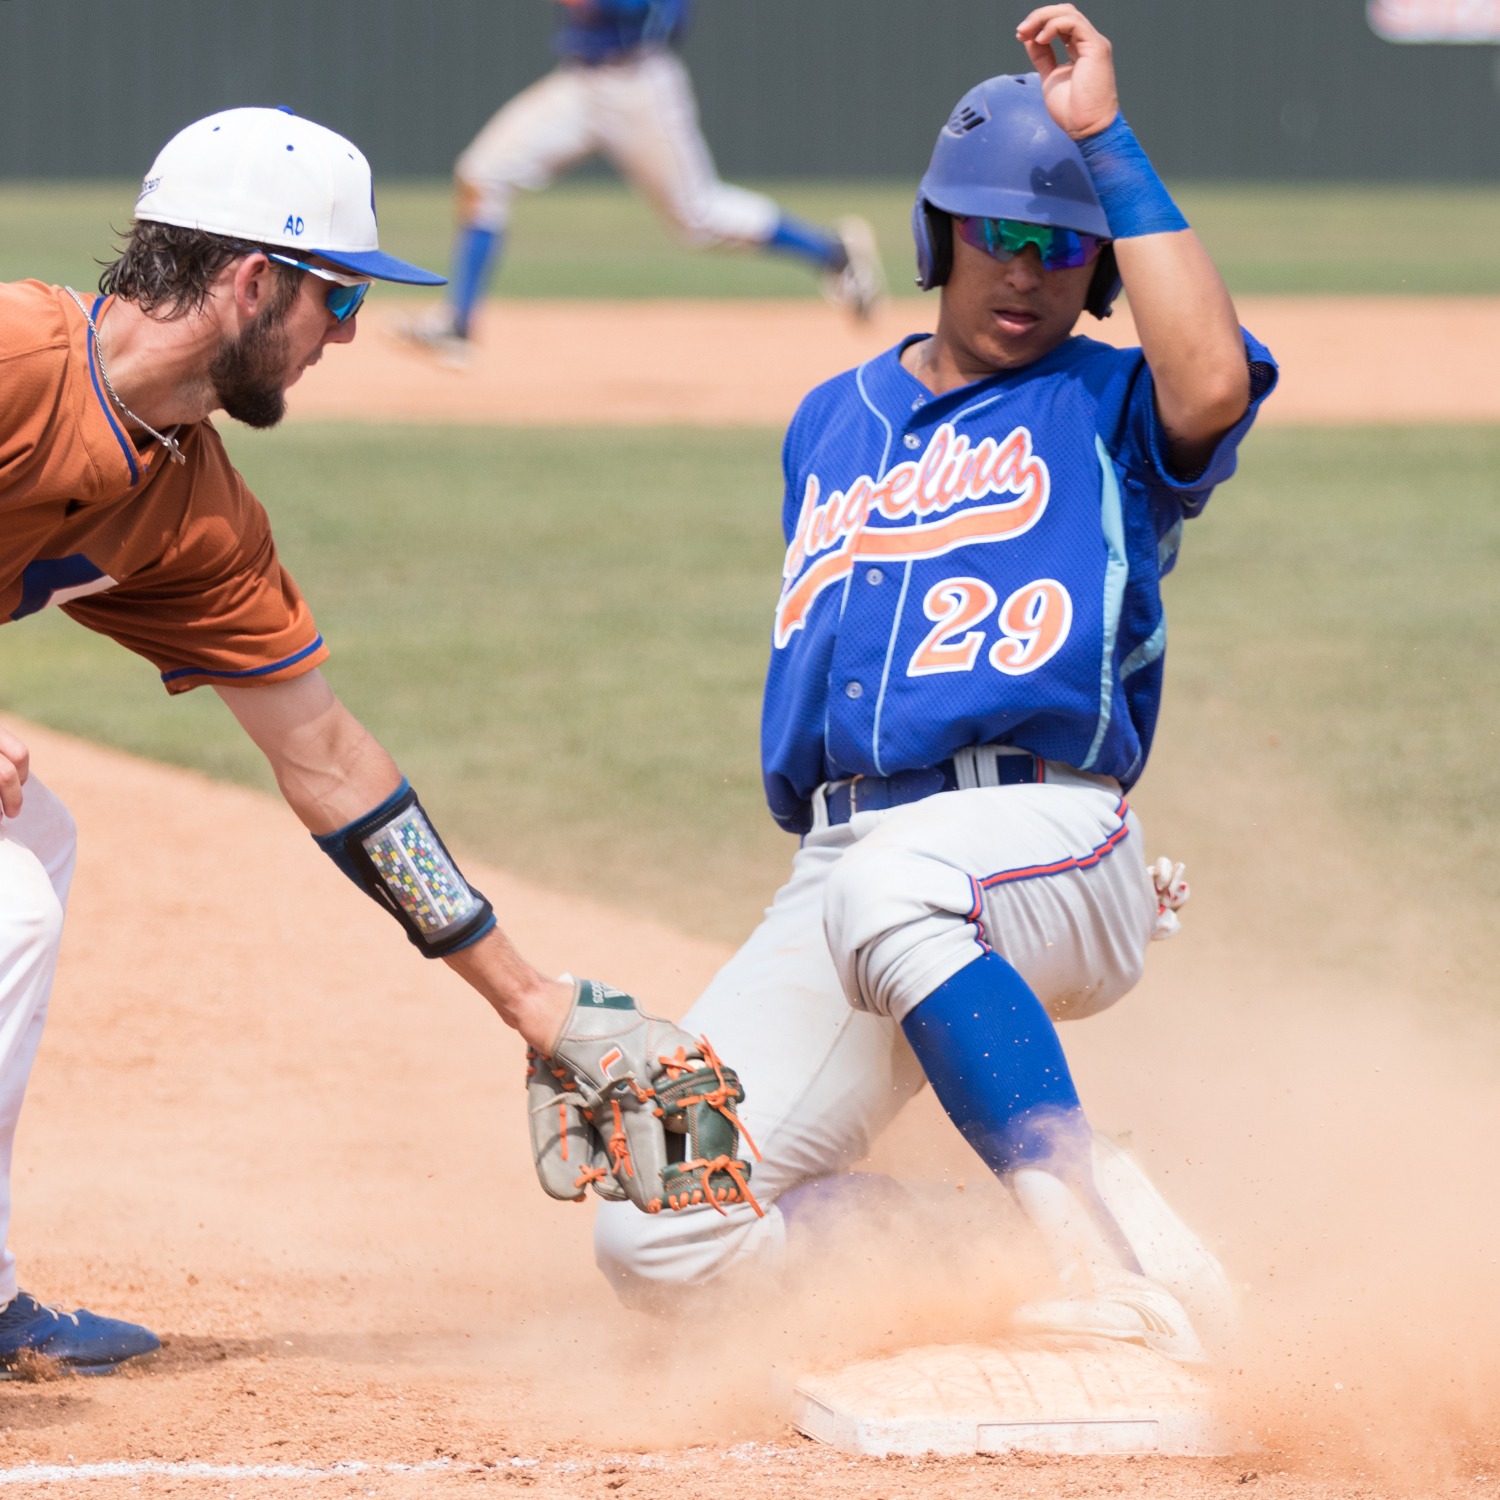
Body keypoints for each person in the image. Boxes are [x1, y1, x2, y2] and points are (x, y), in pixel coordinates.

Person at [592, 4, 1277, 1361]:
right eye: (994, 235)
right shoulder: (828, 421)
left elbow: (1209, 381)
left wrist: (1107, 143)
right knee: (658, 1228)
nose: (1023, 271)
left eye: (1061, 247)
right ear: (936, 236)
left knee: (894, 885)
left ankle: (1098, 1254)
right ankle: (990, 1249)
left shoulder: (1112, 408)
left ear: (1098, 271)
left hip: (1049, 832)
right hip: (843, 869)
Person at [0, 106, 689, 1375]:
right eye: (340, 294)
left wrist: (529, 999)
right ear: (253, 282)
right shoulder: (14, 354)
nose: (351, 332)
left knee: (32, 848)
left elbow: (328, 761)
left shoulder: (192, 513)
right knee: (10, 905)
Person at [393, 0, 886, 367]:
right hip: (580, 83)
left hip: (639, 86)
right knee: (482, 174)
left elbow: (652, 14)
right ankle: (458, 324)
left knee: (699, 219)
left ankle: (831, 253)